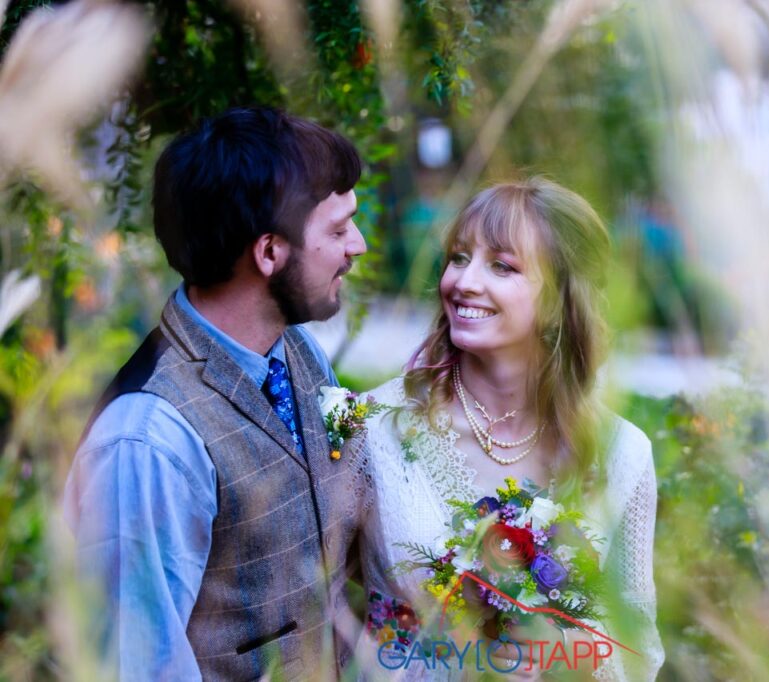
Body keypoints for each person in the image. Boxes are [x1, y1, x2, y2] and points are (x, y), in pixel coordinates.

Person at [63, 107, 370, 680]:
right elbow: (136, 665)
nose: (360, 245)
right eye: (337, 229)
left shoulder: (302, 354)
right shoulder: (147, 441)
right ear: (269, 252)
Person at [354, 178, 663, 679]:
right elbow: (315, 606)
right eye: (458, 257)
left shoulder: (621, 454)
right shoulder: (378, 428)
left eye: (501, 265)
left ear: (560, 299)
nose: (463, 282)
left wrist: (562, 651)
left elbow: (637, 642)